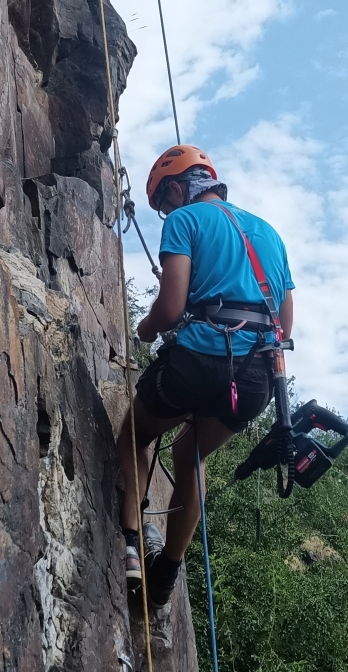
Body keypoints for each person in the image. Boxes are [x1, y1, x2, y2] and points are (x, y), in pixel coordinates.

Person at [118, 144, 295, 605]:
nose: (166, 212)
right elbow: (286, 324)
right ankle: (166, 577)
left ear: (177, 188)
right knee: (189, 455)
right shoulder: (270, 234)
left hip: (200, 361)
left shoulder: (185, 222)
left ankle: (131, 548)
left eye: (165, 202)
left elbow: (172, 307)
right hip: (257, 379)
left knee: (135, 433)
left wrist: (146, 328)